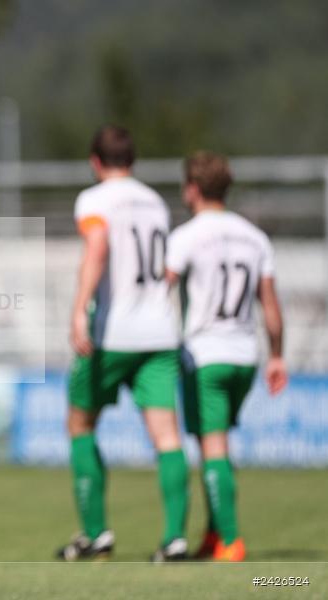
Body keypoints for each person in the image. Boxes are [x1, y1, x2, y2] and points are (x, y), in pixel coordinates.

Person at [57, 125, 189, 562]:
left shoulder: (95, 200)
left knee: (80, 424)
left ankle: (96, 534)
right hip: (161, 332)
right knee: (167, 437)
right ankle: (174, 539)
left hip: (114, 333)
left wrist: (79, 309)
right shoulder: (154, 201)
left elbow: (97, 247)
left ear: (95, 162)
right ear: (132, 161)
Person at [165, 151, 288, 562]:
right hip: (245, 356)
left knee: (212, 446)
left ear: (193, 189)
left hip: (205, 354)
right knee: (216, 444)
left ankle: (231, 541)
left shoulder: (186, 236)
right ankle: (215, 535)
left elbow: (161, 287)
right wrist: (277, 357)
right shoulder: (255, 237)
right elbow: (269, 305)